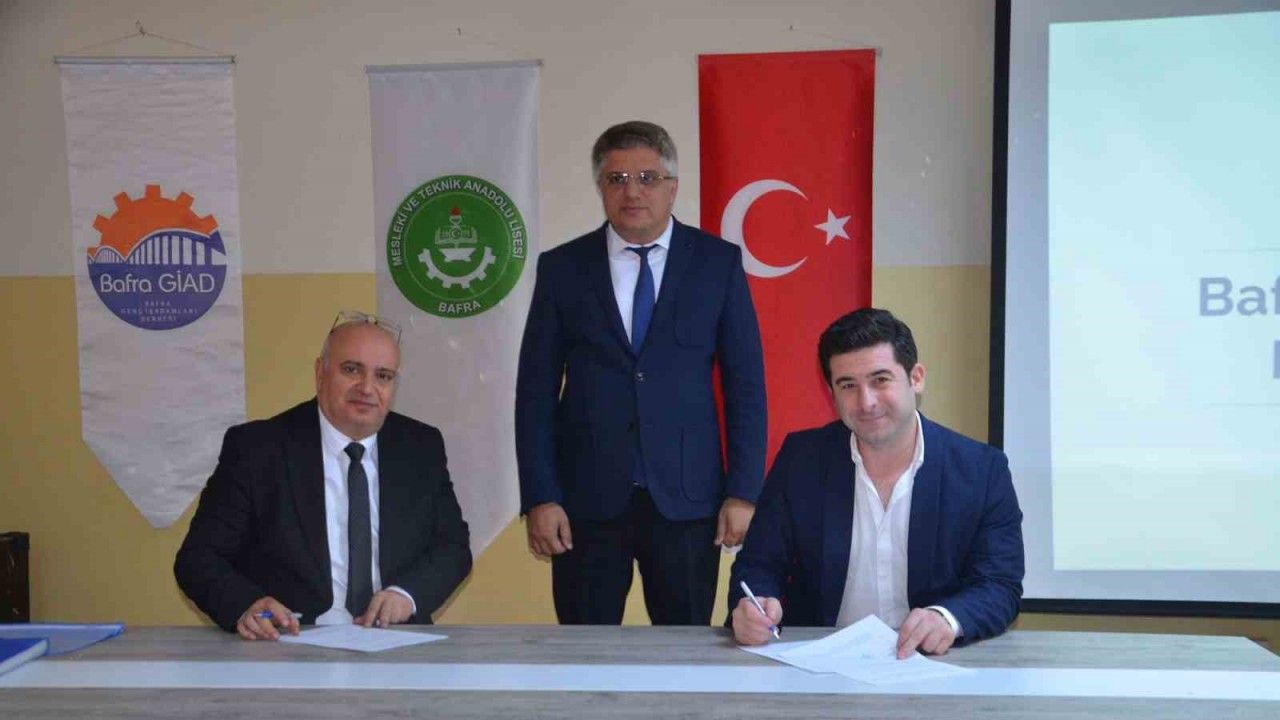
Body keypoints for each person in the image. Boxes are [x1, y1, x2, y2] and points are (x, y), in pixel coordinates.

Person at [516, 120, 767, 625]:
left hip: (687, 503)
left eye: (648, 178)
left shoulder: (717, 264)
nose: (632, 192)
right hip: (585, 503)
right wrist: (541, 496)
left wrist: (743, 492)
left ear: (672, 187)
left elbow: (745, 387)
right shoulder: (563, 268)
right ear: (601, 188)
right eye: (617, 179)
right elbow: (535, 393)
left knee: (685, 652)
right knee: (585, 652)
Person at [729, 308, 1023, 657]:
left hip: (931, 663)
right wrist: (754, 607)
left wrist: (947, 618)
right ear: (831, 392)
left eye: (880, 380)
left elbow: (999, 584)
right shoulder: (801, 461)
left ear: (916, 378)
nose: (866, 402)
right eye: (848, 386)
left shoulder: (981, 470)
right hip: (820, 662)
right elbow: (758, 566)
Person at [175, 311, 472, 640]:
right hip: (289, 642)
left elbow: (453, 549)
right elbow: (199, 558)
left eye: (383, 376)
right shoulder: (257, 449)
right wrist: (246, 605)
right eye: (351, 370)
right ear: (321, 372)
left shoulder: (421, 448)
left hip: (396, 640)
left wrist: (406, 595)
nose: (367, 388)